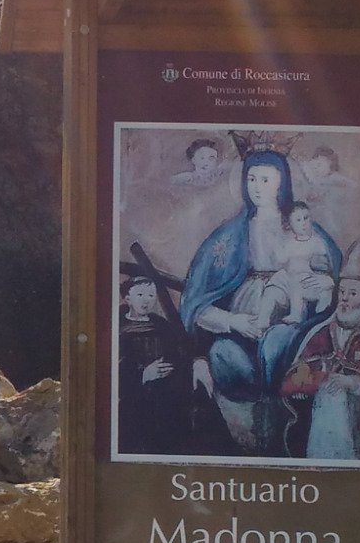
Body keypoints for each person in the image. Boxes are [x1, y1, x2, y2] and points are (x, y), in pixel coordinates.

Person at [178, 149, 342, 453]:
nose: (256, 186)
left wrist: (328, 281)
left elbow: (333, 271)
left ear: (282, 183)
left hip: (293, 312)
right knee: (223, 352)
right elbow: (197, 298)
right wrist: (233, 321)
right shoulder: (230, 234)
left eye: (265, 179)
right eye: (251, 178)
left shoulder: (302, 226)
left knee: (277, 341)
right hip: (242, 321)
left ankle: (274, 415)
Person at [281, 244, 360, 460]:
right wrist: (305, 377)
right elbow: (301, 368)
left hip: (356, 418)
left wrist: (353, 383)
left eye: (352, 293)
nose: (344, 299)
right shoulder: (323, 331)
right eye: (341, 292)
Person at [116, 277, 193, 454]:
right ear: (127, 299)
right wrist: (144, 375)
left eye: (151, 295)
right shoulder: (118, 328)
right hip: (133, 395)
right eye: (140, 294)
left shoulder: (162, 326)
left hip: (165, 391)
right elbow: (114, 370)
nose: (146, 300)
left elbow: (179, 352)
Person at [259, 202, 335, 327]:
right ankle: (262, 321)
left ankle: (299, 315)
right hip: (288, 278)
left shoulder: (317, 242)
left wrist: (321, 275)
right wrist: (274, 243)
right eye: (298, 220)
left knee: (298, 283)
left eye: (306, 218)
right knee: (273, 286)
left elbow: (322, 264)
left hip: (307, 278)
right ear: (291, 225)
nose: (303, 223)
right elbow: (281, 259)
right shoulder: (290, 243)